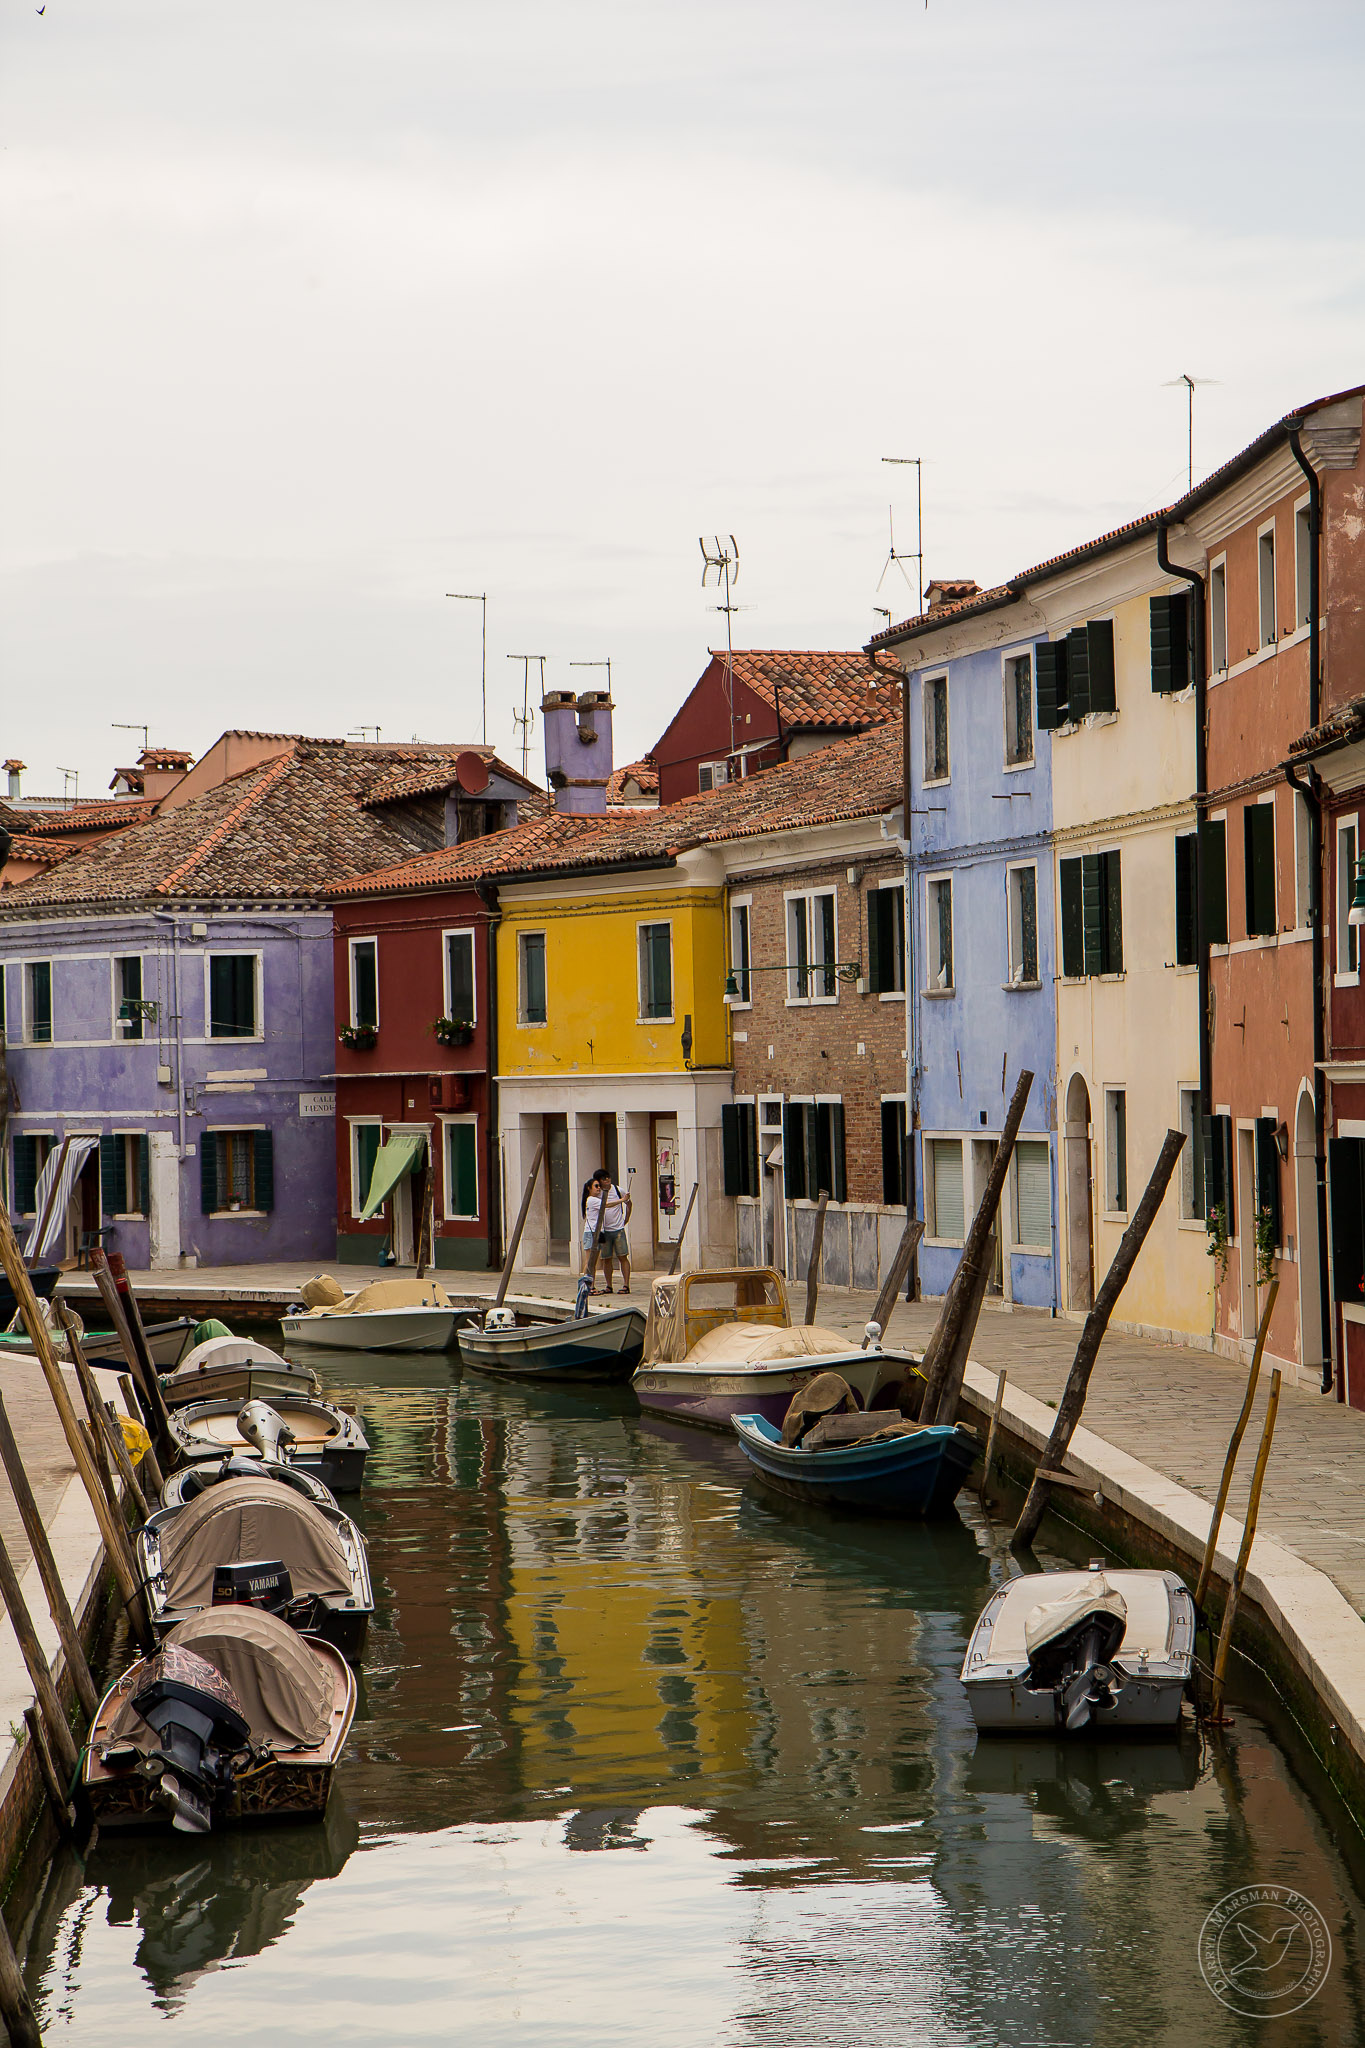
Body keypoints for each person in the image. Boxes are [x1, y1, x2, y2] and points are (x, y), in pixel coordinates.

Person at [584, 1168, 632, 1295]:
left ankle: (626, 1285)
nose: (607, 1181)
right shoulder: (596, 1195)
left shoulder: (617, 1190)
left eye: (608, 1177)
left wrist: (626, 1219)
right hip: (603, 1231)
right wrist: (621, 1201)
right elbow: (605, 1205)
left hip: (617, 1229)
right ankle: (608, 1286)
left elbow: (629, 1203)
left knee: (623, 1256)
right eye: (603, 1179)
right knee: (606, 1259)